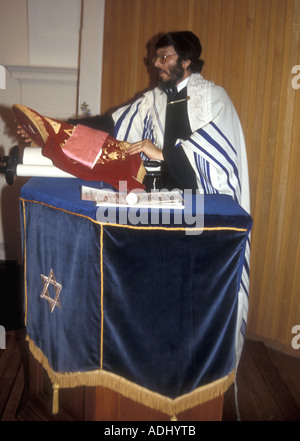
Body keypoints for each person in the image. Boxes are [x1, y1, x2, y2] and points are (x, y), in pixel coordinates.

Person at [17, 31, 250, 363]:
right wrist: (59, 129)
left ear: (186, 61)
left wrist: (164, 152)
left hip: (201, 213)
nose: (156, 64)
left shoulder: (214, 99)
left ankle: (188, 359)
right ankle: (144, 354)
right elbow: (109, 124)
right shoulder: (151, 101)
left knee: (188, 300)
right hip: (157, 206)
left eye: (164, 57)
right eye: (155, 58)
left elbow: (218, 159)